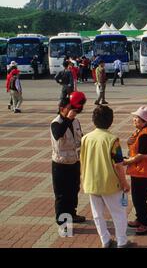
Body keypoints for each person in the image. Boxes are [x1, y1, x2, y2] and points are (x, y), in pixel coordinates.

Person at [80, 105, 132, 248]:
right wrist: (124, 183)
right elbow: (118, 164)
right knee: (118, 213)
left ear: (93, 120)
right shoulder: (112, 140)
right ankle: (122, 241)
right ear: (111, 120)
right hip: (110, 183)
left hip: (91, 182)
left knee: (97, 214)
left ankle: (105, 241)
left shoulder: (85, 138)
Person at [50, 92, 87, 226]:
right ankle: (62, 220)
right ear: (62, 109)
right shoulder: (56, 122)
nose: (73, 111)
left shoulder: (76, 121)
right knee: (61, 194)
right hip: (60, 164)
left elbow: (81, 138)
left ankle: (72, 213)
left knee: (73, 190)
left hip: (74, 162)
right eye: (70, 108)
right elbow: (58, 134)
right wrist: (67, 119)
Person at [123, 106, 147, 235]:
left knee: (140, 199)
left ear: (143, 121)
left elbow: (143, 155)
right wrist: (128, 142)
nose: (134, 119)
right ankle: (140, 218)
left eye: (136, 118)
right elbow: (135, 149)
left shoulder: (145, 135)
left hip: (144, 173)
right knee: (137, 198)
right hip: (139, 171)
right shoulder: (139, 132)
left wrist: (126, 162)